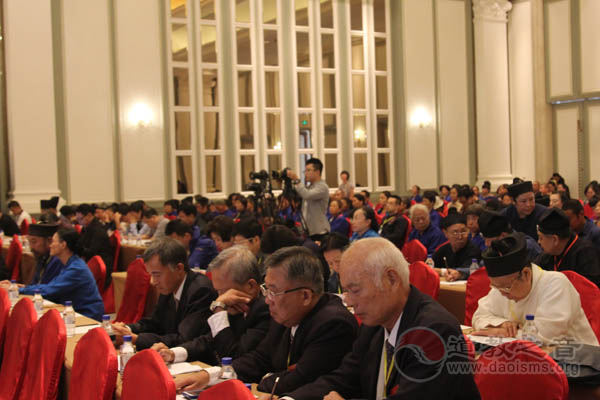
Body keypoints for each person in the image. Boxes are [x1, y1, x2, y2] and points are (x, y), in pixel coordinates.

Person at [282, 238, 480, 400]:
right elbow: (344, 378)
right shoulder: (375, 323)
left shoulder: (433, 331)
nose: (348, 301)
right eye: (346, 291)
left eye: (355, 290)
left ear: (391, 279)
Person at [175, 246, 358, 395]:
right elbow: (258, 359)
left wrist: (265, 379)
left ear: (305, 296)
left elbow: (298, 380)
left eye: (273, 291)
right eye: (266, 290)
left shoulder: (333, 323)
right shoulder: (285, 316)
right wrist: (209, 375)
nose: (268, 299)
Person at [471, 233, 598, 345]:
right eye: (495, 286)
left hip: (575, 358)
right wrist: (501, 324)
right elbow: (478, 317)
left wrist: (501, 333)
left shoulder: (555, 284)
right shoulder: (501, 287)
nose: (502, 293)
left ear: (526, 274)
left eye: (507, 287)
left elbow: (544, 336)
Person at [155, 246, 270, 364]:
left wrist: (219, 309)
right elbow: (208, 341)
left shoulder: (265, 310)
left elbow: (233, 356)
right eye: (217, 292)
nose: (220, 298)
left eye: (224, 291)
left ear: (250, 286)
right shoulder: (236, 305)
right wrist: (173, 353)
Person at [111, 238, 216, 350]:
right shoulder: (169, 286)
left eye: (157, 275)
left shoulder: (201, 291)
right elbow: (154, 323)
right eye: (151, 275)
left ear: (179, 268)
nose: (153, 282)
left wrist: (137, 339)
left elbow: (184, 339)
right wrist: (126, 329)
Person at [10, 228, 104, 320]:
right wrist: (24, 287)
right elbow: (51, 286)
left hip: (86, 315)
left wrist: (20, 289)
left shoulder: (76, 269)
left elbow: (50, 290)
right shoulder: (69, 263)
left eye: (53, 242)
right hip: (72, 311)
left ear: (63, 245)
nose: (50, 245)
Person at [534, 208, 600, 288]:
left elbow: (590, 289)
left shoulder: (585, 253)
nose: (539, 242)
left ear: (555, 239)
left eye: (541, 238)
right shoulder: (549, 254)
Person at [286, 158, 330, 241]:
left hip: (319, 232)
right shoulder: (310, 186)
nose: (305, 173)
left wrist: (296, 180)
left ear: (317, 172)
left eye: (308, 170)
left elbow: (307, 195)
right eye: (305, 171)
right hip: (308, 231)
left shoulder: (322, 187)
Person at [432, 213, 481, 281]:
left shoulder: (474, 250)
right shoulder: (443, 249)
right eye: (455, 232)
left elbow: (468, 270)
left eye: (463, 231)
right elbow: (430, 266)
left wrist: (442, 271)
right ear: (445, 233)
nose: (460, 236)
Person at [478, 210, 542, 262]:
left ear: (503, 235)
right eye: (484, 239)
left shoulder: (527, 247)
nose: (486, 244)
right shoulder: (495, 247)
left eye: (488, 240)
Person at [75, 203, 114, 285]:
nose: (79, 222)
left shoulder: (98, 230)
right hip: (90, 261)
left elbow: (92, 252)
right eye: (77, 220)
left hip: (101, 265)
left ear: (89, 215)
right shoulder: (86, 227)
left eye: (81, 219)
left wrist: (76, 249)